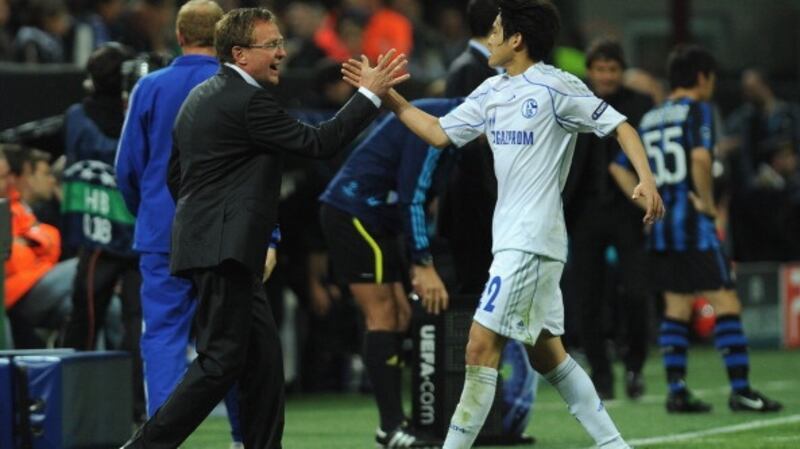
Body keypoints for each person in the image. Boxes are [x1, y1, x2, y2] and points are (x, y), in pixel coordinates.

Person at [342, 1, 664, 447]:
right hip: (513, 242)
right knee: (548, 356)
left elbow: (620, 126)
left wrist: (646, 178)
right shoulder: (492, 91)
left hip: (532, 242)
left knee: (478, 346)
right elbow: (438, 132)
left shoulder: (556, 86)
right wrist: (388, 97)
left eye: (495, 30)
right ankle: (615, 445)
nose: (488, 38)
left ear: (517, 39)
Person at [120, 6, 408, 449]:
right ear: (239, 54)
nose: (281, 51)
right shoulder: (247, 100)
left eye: (280, 42)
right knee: (219, 361)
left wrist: (210, 223)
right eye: (270, 44)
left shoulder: (203, 97)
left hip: (224, 250)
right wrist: (369, 96)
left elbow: (177, 178)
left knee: (265, 363)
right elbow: (319, 142)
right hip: (225, 252)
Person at [609, 44, 783, 414]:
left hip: (661, 230)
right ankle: (741, 390)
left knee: (676, 307)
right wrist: (705, 202)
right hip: (693, 228)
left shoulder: (653, 116)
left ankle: (676, 391)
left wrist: (647, 202)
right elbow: (701, 158)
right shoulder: (699, 110)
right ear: (703, 78)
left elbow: (618, 167)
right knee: (725, 301)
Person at [114, 1, 246, 445]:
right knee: (229, 338)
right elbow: (255, 170)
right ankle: (244, 437)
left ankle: (162, 440)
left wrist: (149, 211)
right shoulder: (236, 84)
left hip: (161, 233)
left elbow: (126, 167)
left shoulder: (149, 88)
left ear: (178, 34)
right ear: (226, 36)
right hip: (225, 234)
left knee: (164, 339)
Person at [320, 97, 460, 448]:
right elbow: (412, 198)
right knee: (382, 315)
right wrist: (422, 262)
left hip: (379, 218)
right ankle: (390, 427)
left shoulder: (459, 127)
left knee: (398, 316)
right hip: (353, 212)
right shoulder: (437, 122)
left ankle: (396, 421)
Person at [560, 38, 654, 400]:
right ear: (590, 71)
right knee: (587, 297)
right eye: (600, 69)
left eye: (612, 69)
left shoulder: (640, 105)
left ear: (621, 71)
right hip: (583, 212)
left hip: (628, 211)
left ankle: (634, 364)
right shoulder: (576, 104)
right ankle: (601, 373)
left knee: (635, 291)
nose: (606, 76)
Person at [59, 42, 146, 422]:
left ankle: (74, 403)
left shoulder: (78, 115)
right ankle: (136, 409)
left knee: (86, 317)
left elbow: (76, 154)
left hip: (97, 228)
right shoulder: (138, 115)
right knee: (136, 323)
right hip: (138, 227)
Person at [438, 0, 501, 296]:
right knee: (477, 284)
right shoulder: (470, 71)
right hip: (473, 197)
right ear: (496, 28)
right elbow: (464, 138)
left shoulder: (481, 68)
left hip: (480, 195)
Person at [2, 145, 76, 349]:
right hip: (16, 294)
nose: (9, 181)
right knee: (86, 266)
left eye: (8, 175)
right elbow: (12, 262)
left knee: (100, 306)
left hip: (37, 282)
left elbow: (52, 241)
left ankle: (101, 376)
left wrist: (29, 245)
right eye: (2, 177)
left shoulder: (15, 208)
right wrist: (31, 249)